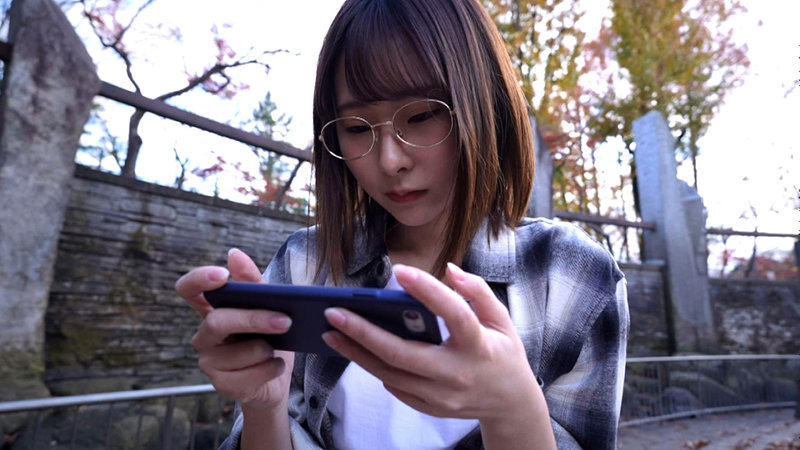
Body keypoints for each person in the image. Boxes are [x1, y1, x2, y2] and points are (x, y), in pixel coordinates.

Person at [175, 0, 629, 448]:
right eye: (356, 128)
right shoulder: (304, 262)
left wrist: (513, 409)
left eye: (421, 115)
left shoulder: (573, 276)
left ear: (484, 102)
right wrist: (264, 406)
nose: (390, 161)